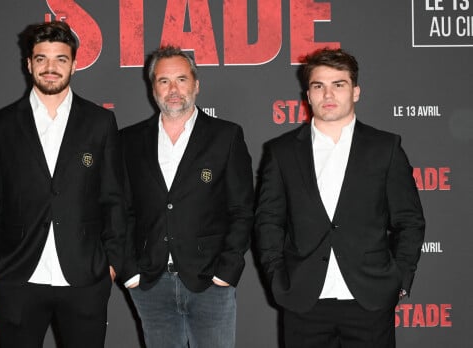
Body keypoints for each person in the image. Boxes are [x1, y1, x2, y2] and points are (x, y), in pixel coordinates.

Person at [254, 48, 425, 348]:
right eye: (319, 86)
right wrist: (278, 280)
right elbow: (268, 223)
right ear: (308, 95)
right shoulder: (281, 152)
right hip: (303, 301)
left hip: (369, 300)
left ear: (356, 92)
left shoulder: (385, 148)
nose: (328, 94)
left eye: (339, 84)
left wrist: (399, 278)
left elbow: (409, 221)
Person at [0, 21, 125, 348]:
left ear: (73, 64)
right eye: (42, 58)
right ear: (28, 64)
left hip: (85, 278)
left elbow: (114, 198)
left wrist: (110, 266)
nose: (51, 68)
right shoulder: (1, 126)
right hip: (18, 278)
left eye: (60, 59)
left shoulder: (100, 122)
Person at [120, 45, 254, 348]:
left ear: (196, 84)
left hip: (210, 283)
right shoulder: (128, 140)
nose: (173, 90)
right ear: (152, 87)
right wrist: (130, 273)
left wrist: (226, 273)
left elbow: (242, 209)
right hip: (150, 283)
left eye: (181, 79)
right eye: (164, 81)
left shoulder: (226, 136)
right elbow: (121, 210)